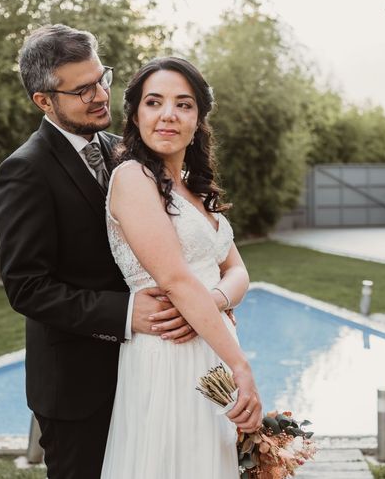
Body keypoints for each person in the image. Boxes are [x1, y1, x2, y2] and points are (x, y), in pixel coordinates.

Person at [0, 25, 200, 479]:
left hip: (145, 371)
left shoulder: (121, 150)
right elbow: (28, 288)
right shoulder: (25, 171)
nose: (100, 94)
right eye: (82, 89)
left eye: (101, 78)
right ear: (44, 100)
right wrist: (127, 313)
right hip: (77, 386)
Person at [100, 57, 262, 479]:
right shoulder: (133, 178)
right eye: (154, 102)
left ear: (198, 120)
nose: (168, 114)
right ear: (135, 115)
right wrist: (242, 365)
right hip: (168, 358)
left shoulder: (195, 191)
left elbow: (239, 272)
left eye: (183, 104)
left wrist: (212, 300)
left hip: (210, 347)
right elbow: (173, 279)